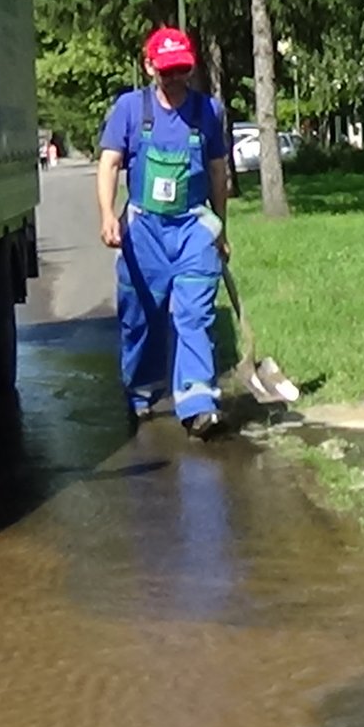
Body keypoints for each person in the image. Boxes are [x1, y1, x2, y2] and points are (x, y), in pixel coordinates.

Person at [95, 27, 232, 439]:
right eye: (167, 70)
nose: (175, 79)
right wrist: (107, 215)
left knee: (194, 314)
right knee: (141, 317)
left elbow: (217, 171)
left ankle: (198, 403)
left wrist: (221, 229)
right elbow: (109, 164)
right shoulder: (129, 109)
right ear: (149, 65)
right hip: (144, 230)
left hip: (193, 227)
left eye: (182, 70)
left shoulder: (209, 110)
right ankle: (141, 388)